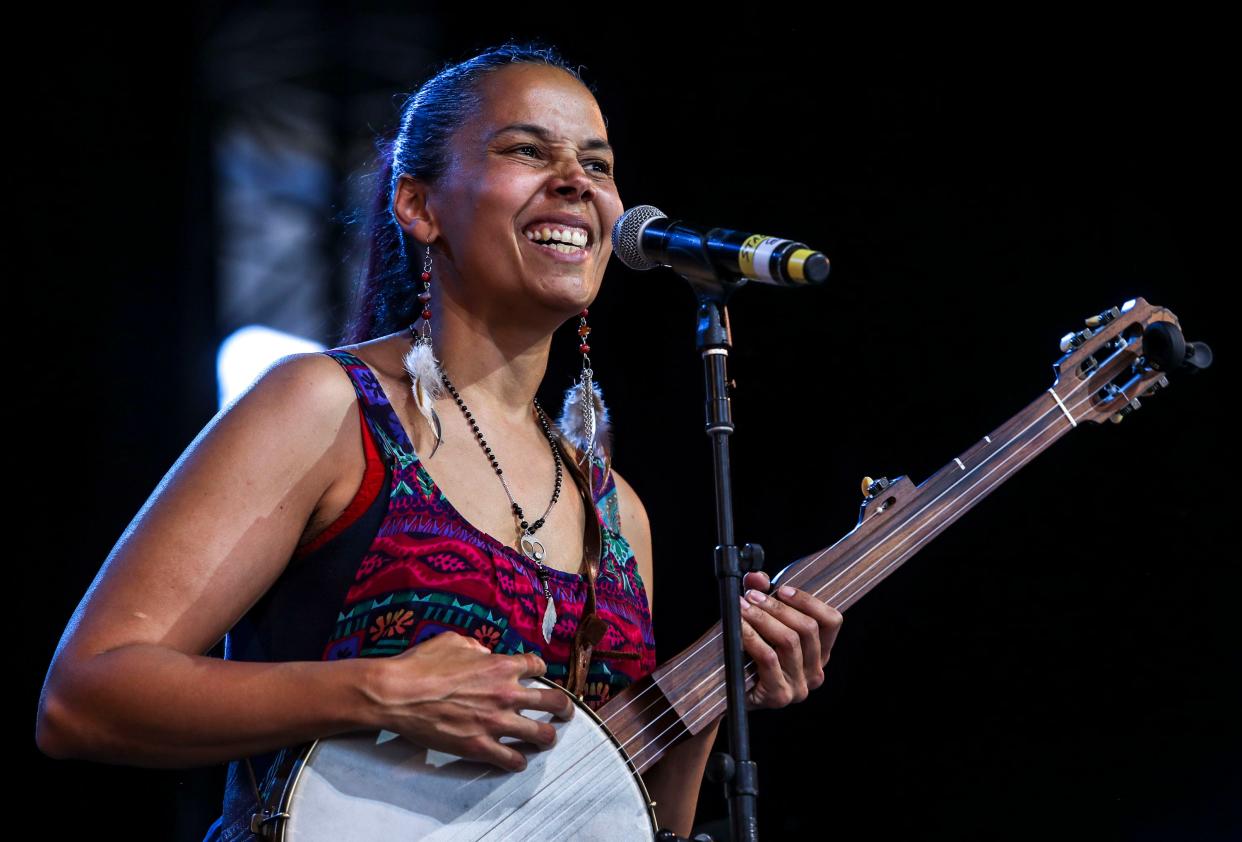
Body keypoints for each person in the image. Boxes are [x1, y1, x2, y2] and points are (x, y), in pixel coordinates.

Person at [35, 42, 843, 840]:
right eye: (527, 150)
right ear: (419, 205)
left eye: (597, 166)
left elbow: (622, 822)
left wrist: (710, 708)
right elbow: (85, 696)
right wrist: (378, 691)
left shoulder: (615, 511)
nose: (576, 182)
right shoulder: (329, 408)